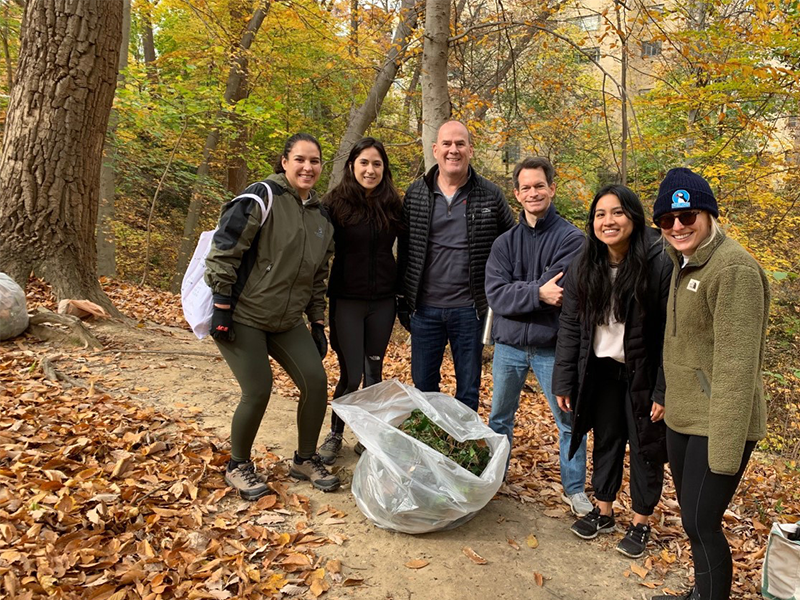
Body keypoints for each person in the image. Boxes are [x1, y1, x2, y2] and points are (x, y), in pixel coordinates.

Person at [649, 168, 768, 600]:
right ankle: (702, 592)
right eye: (667, 220)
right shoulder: (682, 263)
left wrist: (724, 452)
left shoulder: (733, 269)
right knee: (691, 519)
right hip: (684, 417)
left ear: (709, 215)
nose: (678, 226)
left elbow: (737, 371)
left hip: (718, 422)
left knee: (702, 522)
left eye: (688, 215)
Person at [204, 133, 341, 499]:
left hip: (287, 321)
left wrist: (317, 322)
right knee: (258, 390)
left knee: (315, 382)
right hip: (244, 315)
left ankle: (305, 458)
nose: (307, 167)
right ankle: (238, 465)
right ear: (284, 161)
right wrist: (221, 306)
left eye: (314, 161)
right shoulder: (261, 197)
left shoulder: (322, 217)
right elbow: (224, 250)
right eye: (300, 159)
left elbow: (317, 277)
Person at [552, 184, 671, 558]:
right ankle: (602, 510)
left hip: (644, 372)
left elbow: (674, 332)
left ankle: (640, 522)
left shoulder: (659, 262)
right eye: (600, 214)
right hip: (601, 370)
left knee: (644, 446)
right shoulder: (585, 262)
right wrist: (564, 377)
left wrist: (664, 390)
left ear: (633, 217)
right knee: (606, 438)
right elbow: (571, 325)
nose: (608, 221)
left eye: (617, 212)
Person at [484, 156, 590, 515]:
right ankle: (493, 478)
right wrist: (536, 293)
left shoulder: (573, 240)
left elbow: (563, 291)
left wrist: (522, 293)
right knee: (500, 417)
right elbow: (496, 295)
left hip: (552, 348)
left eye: (539, 186)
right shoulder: (504, 243)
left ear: (552, 188)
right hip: (509, 346)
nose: (533, 193)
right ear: (516, 193)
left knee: (569, 421)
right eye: (526, 187)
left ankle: (575, 490)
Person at [397, 120, 515, 411]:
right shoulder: (416, 194)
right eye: (447, 144)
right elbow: (405, 251)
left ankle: (463, 452)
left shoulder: (490, 195)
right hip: (424, 310)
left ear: (470, 150)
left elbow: (513, 245)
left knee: (468, 390)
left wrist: (502, 299)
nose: (453, 150)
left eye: (460, 144)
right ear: (436, 150)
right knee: (424, 389)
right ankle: (430, 451)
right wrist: (401, 299)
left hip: (471, 311)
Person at [317, 138, 403, 464]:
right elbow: (318, 253)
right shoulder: (334, 204)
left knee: (375, 373)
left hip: (383, 301)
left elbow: (408, 252)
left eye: (377, 164)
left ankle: (368, 438)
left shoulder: (394, 204)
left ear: (384, 169)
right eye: (364, 163)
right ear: (353, 165)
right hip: (346, 301)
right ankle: (335, 434)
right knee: (351, 375)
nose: (370, 169)